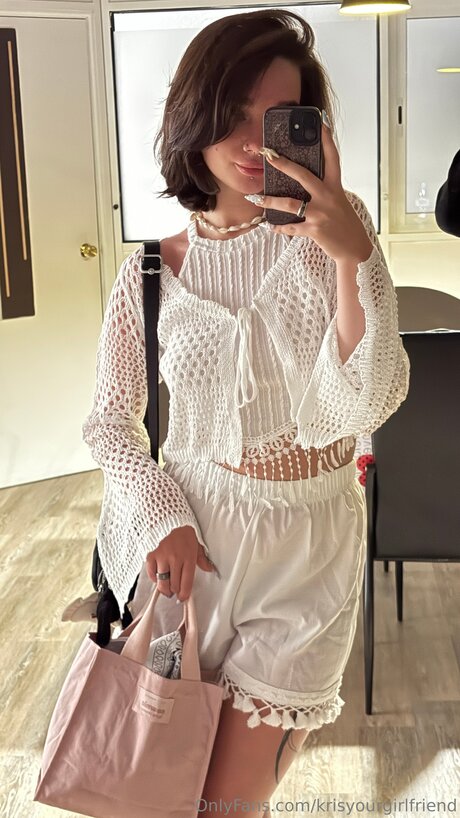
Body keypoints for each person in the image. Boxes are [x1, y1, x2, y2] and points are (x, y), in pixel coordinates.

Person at [82, 9, 410, 815]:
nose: (252, 142)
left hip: (308, 549)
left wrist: (353, 257)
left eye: (278, 119)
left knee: (227, 804)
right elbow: (109, 422)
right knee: (163, 789)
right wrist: (160, 512)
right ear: (192, 116)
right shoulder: (150, 273)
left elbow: (367, 400)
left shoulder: (336, 238)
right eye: (232, 113)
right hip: (191, 550)